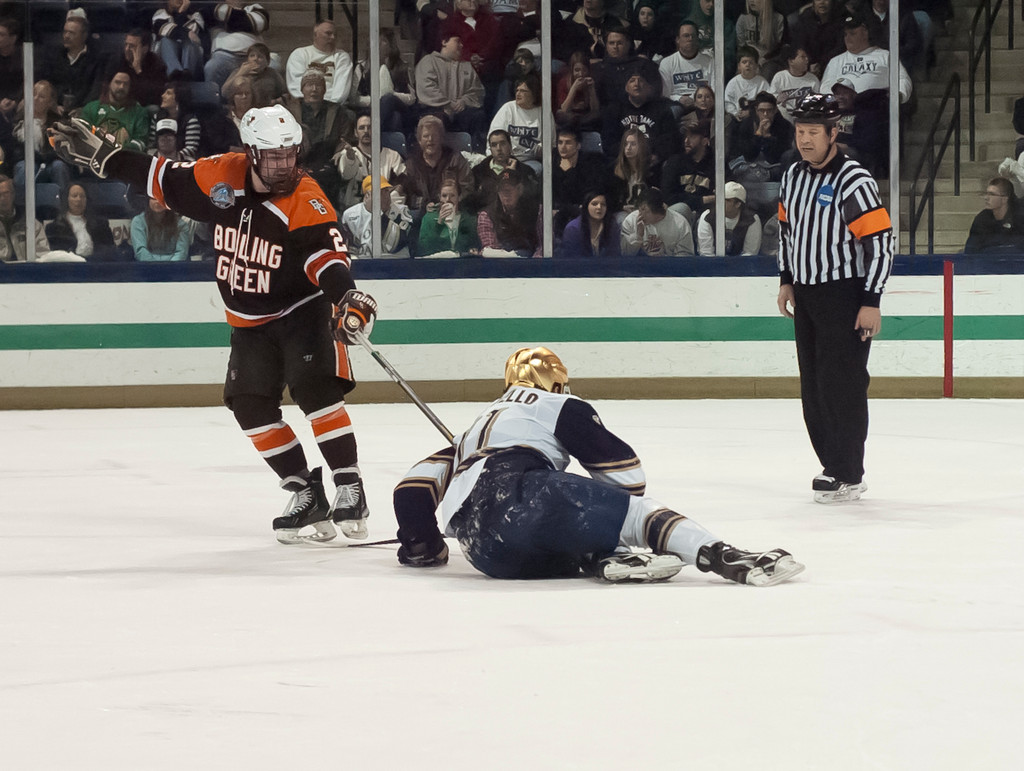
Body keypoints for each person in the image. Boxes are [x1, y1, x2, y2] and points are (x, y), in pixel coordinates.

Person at [49, 104, 379, 543]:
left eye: (289, 154)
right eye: (273, 156)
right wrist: (109, 159)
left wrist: (347, 296)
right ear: (251, 153)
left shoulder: (306, 197)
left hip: (302, 311)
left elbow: (327, 256)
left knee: (315, 390)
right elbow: (162, 177)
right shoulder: (221, 175)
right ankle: (305, 491)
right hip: (249, 321)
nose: (284, 165)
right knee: (249, 406)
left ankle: (349, 484)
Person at [391, 346, 805, 586]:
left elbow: (410, 490)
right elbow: (627, 479)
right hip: (523, 497)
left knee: (561, 523)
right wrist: (616, 512)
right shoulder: (555, 404)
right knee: (632, 513)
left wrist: (424, 546)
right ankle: (726, 557)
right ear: (554, 382)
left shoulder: (469, 434)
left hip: (485, 554)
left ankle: (603, 556)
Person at [776, 93, 894, 504]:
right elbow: (787, 232)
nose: (805, 140)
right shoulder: (792, 176)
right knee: (813, 386)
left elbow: (880, 243)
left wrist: (871, 300)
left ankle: (848, 472)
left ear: (833, 133)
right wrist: (786, 279)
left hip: (845, 295)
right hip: (807, 295)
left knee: (842, 384)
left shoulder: (853, 179)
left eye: (813, 132)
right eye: (800, 131)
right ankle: (832, 465)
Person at [285, 69, 352, 206]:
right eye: (309, 85)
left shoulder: (337, 111)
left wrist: (340, 151)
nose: (314, 89)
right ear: (302, 89)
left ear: (325, 90)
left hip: (327, 160)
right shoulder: (290, 109)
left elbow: (345, 138)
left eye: (318, 85)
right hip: (298, 160)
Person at [414, 31, 487, 143]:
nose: (461, 45)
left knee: (479, 116)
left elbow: (477, 90)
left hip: (461, 112)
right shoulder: (428, 61)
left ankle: (477, 151)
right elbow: (427, 88)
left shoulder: (467, 66)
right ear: (444, 42)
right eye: (458, 41)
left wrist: (464, 101)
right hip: (435, 110)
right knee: (435, 120)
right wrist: (447, 103)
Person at [401, 115, 474, 219]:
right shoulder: (411, 164)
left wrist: (450, 203)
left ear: (441, 138)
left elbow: (468, 189)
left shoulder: (456, 160)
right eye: (426, 136)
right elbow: (407, 194)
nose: (430, 140)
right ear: (419, 140)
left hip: (452, 212)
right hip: (422, 215)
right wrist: (424, 206)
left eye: (434, 135)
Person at [351, 28, 416, 134]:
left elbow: (412, 98)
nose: (378, 44)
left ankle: (372, 134)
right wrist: (377, 100)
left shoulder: (403, 67)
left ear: (391, 45)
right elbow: (354, 98)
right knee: (395, 118)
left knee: (388, 99)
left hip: (399, 107)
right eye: (375, 40)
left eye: (383, 41)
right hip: (371, 109)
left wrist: (391, 95)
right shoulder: (361, 67)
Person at [36, 13, 105, 112]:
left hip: (83, 111)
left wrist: (84, 109)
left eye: (72, 33)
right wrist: (53, 104)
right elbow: (44, 82)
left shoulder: (95, 59)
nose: (66, 36)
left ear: (84, 35)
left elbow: (96, 89)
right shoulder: (53, 55)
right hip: (53, 110)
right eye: (65, 32)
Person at [336, 112, 407, 210]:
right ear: (355, 133)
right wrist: (350, 160)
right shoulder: (348, 153)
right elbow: (346, 174)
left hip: (386, 209)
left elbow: (402, 183)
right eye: (362, 128)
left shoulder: (392, 155)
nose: (366, 131)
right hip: (355, 210)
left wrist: (386, 203)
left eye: (370, 127)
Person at [44, 182, 122, 262]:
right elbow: (57, 255)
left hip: (96, 265)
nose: (79, 199)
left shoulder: (101, 224)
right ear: (67, 199)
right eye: (74, 196)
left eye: (82, 196)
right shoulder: (54, 228)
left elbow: (109, 251)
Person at [284, 19, 354, 107]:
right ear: (315, 35)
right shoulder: (300, 54)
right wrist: (307, 105)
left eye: (335, 35)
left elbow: (341, 88)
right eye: (328, 33)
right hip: (303, 106)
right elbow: (295, 86)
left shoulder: (341, 56)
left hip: (332, 107)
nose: (333, 37)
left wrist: (330, 107)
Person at [80, 70, 152, 154]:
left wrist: (121, 150)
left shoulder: (139, 112)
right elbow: (83, 133)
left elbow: (141, 141)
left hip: (125, 158)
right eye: (117, 82)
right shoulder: (91, 108)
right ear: (109, 84)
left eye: (126, 84)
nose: (121, 87)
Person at [466, 128, 536, 214]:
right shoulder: (478, 172)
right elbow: (470, 203)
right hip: (486, 218)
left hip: (517, 218)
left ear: (510, 146)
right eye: (494, 145)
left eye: (502, 144)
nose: (499, 148)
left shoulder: (525, 171)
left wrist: (511, 174)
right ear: (490, 149)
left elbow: (531, 201)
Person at [204, 1, 271, 90]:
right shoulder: (214, 8)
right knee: (212, 67)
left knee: (273, 66)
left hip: (253, 57)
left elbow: (258, 23)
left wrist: (226, 20)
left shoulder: (255, 8)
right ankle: (215, 98)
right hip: (223, 57)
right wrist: (245, 22)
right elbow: (246, 23)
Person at [552, 126, 607, 233]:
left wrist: (569, 171)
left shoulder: (591, 164)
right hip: (560, 213)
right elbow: (558, 196)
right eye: (560, 142)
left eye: (568, 143)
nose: (563, 147)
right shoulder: (552, 164)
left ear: (578, 145)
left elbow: (584, 194)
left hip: (583, 212)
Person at [477, 166, 541, 258]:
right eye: (502, 190)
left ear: (520, 189)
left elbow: (543, 246)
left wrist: (534, 262)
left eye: (510, 189)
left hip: (531, 261)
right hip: (501, 263)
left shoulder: (537, 211)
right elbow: (490, 250)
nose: (506, 194)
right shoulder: (486, 216)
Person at [661, 119, 714, 225]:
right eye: (686, 136)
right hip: (677, 216)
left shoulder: (716, 164)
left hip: (705, 216)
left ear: (704, 141)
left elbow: (722, 195)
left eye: (692, 137)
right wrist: (702, 200)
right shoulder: (675, 162)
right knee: (682, 208)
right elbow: (668, 197)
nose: (686, 141)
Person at [620, 186, 695, 256]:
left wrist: (663, 258)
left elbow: (685, 257)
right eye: (640, 209)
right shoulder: (631, 221)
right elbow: (624, 254)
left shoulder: (680, 224)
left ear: (660, 210)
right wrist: (638, 236)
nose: (640, 213)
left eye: (644, 210)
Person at [695, 181, 762, 256]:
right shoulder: (708, 217)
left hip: (742, 262)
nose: (720, 202)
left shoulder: (752, 220)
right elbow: (706, 253)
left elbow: (750, 253)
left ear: (738, 204)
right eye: (719, 198)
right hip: (713, 262)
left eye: (726, 200)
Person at [105, 29, 168, 109]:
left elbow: (155, 96)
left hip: (141, 106)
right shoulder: (117, 60)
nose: (127, 49)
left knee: (153, 108)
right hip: (118, 101)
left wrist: (138, 71)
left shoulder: (157, 64)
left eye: (132, 46)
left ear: (144, 49)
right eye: (126, 44)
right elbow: (106, 84)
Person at [417, 177, 479, 257]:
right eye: (444, 196)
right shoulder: (429, 218)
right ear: (439, 197)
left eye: (452, 196)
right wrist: (439, 223)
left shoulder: (468, 219)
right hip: (436, 262)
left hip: (461, 262)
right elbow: (424, 248)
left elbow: (474, 245)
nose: (448, 199)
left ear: (459, 197)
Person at [658, 21, 714, 109]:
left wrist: (694, 99)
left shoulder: (709, 61)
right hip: (676, 105)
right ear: (678, 40)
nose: (690, 39)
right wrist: (679, 98)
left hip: (702, 105)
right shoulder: (667, 63)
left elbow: (714, 90)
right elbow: (665, 94)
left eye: (693, 36)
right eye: (686, 36)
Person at [488, 74, 542, 164]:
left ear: (533, 93)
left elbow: (550, 144)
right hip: (505, 160)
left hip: (530, 160)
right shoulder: (508, 108)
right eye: (517, 90)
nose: (518, 94)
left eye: (523, 91)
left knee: (536, 168)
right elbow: (493, 136)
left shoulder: (543, 113)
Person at [963, 178, 1024, 254]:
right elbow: (971, 248)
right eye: (986, 194)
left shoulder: (1020, 218)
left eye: (992, 194)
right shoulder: (982, 219)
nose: (986, 198)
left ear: (1004, 199)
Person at [151, 0, 206, 81]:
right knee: (166, 40)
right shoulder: (160, 14)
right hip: (166, 61)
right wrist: (187, 32)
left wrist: (182, 11)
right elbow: (168, 31)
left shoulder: (195, 15)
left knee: (189, 42)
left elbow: (193, 33)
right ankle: (175, 75)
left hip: (193, 61)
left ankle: (186, 75)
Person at [0, 173, 49, 262]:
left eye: (6, 193)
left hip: (28, 269)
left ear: (13, 194)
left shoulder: (29, 222)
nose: (2, 198)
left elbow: (43, 254)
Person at [559, 190, 621, 258]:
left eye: (603, 204)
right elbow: (571, 258)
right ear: (586, 206)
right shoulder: (573, 229)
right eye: (594, 204)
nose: (599, 207)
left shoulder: (612, 226)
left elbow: (615, 256)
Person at [224, 43, 287, 107]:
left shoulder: (272, 74)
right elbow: (225, 93)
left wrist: (275, 102)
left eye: (260, 57)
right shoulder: (238, 72)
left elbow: (285, 94)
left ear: (267, 62)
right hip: (242, 110)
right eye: (252, 56)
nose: (255, 59)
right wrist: (240, 73)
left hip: (266, 109)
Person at [130, 196, 192, 261]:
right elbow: (140, 251)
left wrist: (170, 266)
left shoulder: (181, 225)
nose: (157, 201)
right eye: (154, 198)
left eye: (161, 198)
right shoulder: (138, 222)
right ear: (148, 200)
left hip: (174, 266)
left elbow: (181, 253)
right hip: (146, 265)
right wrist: (154, 266)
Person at [768, 46, 820, 123]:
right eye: (802, 57)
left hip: (806, 119)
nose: (807, 60)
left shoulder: (813, 79)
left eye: (807, 57)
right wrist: (777, 98)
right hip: (784, 119)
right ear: (791, 61)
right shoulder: (780, 77)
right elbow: (770, 98)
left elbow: (818, 102)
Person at [150, 83, 201, 161]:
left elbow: (191, 149)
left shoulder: (190, 120)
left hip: (182, 161)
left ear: (179, 98)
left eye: (168, 93)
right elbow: (151, 144)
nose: (163, 96)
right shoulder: (157, 117)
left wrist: (172, 158)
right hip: (159, 160)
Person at [554, 51, 601, 131]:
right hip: (569, 116)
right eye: (577, 70)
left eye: (584, 70)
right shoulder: (563, 82)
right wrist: (574, 88)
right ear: (572, 70)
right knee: (562, 115)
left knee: (597, 116)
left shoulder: (591, 81)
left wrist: (591, 90)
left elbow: (595, 109)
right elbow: (564, 109)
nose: (581, 74)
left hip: (584, 116)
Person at [724, 46, 770, 122]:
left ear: (756, 66)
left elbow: (767, 102)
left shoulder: (762, 83)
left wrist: (751, 113)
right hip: (737, 118)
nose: (747, 65)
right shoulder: (733, 83)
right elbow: (728, 102)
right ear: (739, 66)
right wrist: (735, 113)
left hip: (757, 118)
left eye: (751, 62)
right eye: (744, 62)